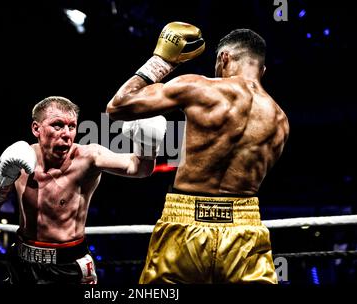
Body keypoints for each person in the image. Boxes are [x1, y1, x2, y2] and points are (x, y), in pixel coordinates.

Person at [106, 23, 290, 283]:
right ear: (262, 69)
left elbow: (117, 106)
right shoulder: (280, 119)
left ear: (224, 58)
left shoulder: (198, 87)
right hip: (245, 228)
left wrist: (161, 61)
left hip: (185, 222)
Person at [0, 96, 167, 284]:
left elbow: (139, 168)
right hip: (23, 261)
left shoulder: (88, 158)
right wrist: (2, 179)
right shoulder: (19, 159)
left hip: (69, 264)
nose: (66, 133)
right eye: (57, 125)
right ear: (36, 128)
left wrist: (147, 145)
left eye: (72, 126)